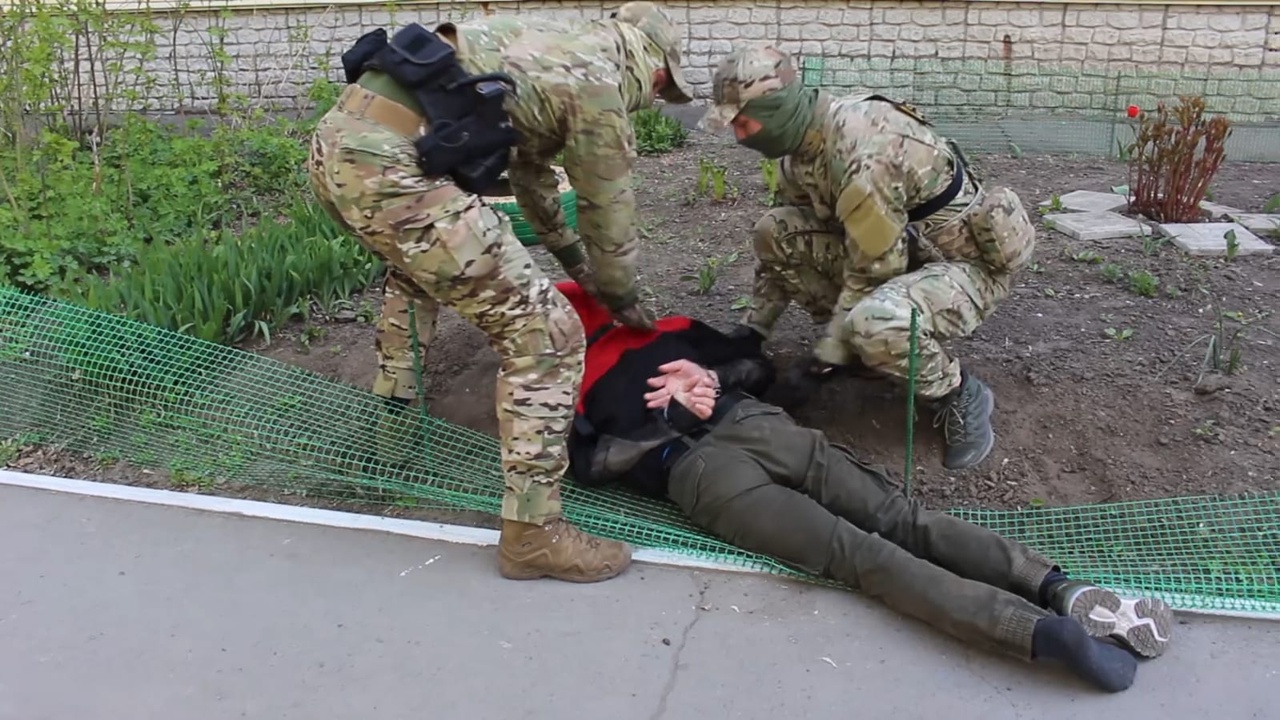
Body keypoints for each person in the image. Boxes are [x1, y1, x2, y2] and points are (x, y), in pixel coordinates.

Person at [557, 278, 1173, 693]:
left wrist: (680, 407)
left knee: (862, 557)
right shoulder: (671, 329)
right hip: (756, 427)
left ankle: (1036, 632)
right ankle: (1057, 587)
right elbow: (758, 366)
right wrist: (707, 382)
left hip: (701, 472)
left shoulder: (572, 382)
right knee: (902, 518)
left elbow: (593, 465)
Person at [308, 2, 695, 583]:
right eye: (662, 90)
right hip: (394, 168)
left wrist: (577, 268)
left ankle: (391, 439)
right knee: (547, 335)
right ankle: (534, 535)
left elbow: (533, 181)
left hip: (339, 144)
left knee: (417, 276)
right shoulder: (598, 82)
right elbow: (606, 208)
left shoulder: (551, 47)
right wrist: (619, 296)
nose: (655, 99)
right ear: (656, 69)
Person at [698, 43, 1038, 472]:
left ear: (776, 109)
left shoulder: (862, 153)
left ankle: (959, 393)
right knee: (776, 230)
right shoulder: (802, 153)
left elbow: (874, 270)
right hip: (899, 252)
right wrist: (753, 331)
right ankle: (867, 352)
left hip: (966, 266)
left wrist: (826, 357)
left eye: (743, 123)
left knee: (874, 322)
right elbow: (785, 243)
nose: (740, 137)